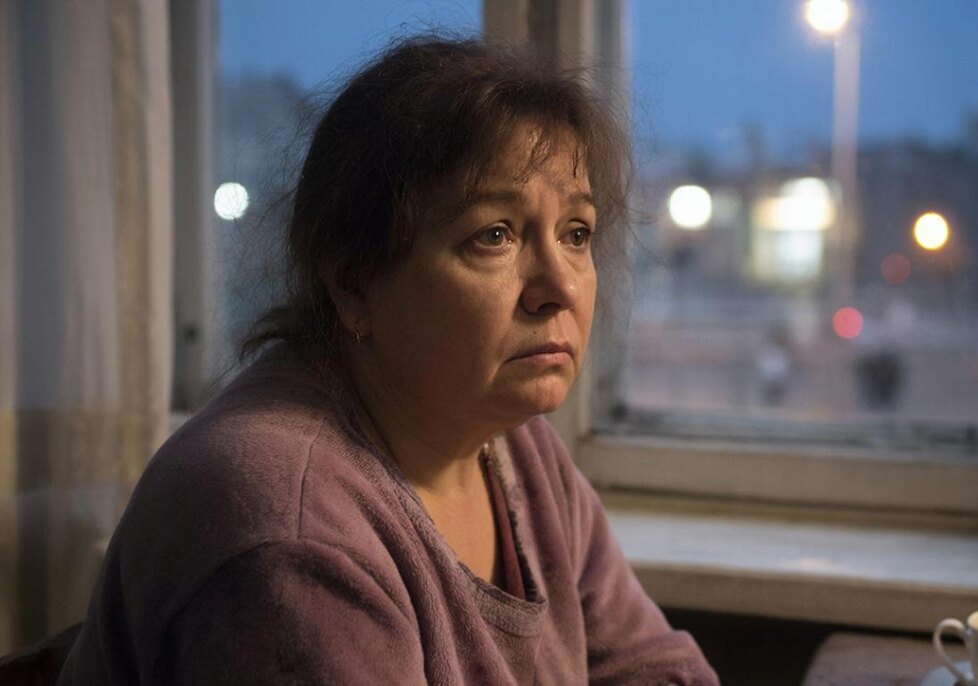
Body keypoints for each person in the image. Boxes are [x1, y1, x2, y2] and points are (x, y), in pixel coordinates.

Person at [58, 36, 717, 685]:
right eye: (495, 235)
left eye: (576, 233)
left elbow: (657, 668)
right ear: (354, 284)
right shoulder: (292, 530)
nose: (561, 287)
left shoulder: (511, 445)